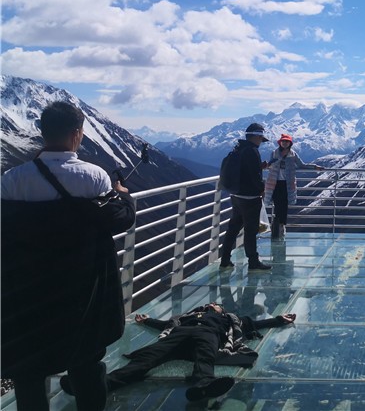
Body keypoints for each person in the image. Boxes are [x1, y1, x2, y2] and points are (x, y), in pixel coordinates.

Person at [1, 101, 136, 411]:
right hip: (81, 291)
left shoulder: (11, 180)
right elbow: (118, 219)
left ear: (42, 132)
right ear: (77, 134)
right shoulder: (93, 177)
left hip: (27, 291)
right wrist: (124, 198)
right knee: (87, 363)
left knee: (29, 372)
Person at [61, 304, 297, 403]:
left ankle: (203, 385)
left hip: (207, 334)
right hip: (179, 334)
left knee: (205, 355)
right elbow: (165, 325)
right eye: (209, 304)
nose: (211, 305)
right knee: (148, 358)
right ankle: (101, 385)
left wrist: (279, 319)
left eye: (215, 305)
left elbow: (256, 323)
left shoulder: (229, 319)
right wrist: (147, 320)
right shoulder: (184, 317)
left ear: (221, 310)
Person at [221, 122, 271, 270]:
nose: (261, 142)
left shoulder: (239, 148)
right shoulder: (252, 151)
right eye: (261, 139)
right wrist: (261, 189)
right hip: (250, 197)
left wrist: (259, 167)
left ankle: (225, 259)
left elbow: (244, 169)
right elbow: (254, 176)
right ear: (256, 136)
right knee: (250, 230)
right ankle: (253, 261)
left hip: (236, 195)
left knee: (233, 228)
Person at [264, 133, 324, 239]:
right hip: (275, 183)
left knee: (284, 205)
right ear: (280, 142)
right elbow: (270, 164)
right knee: (278, 204)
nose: (285, 143)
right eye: (283, 141)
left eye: (287, 141)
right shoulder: (274, 153)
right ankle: (278, 225)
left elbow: (302, 165)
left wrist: (314, 167)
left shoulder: (293, 154)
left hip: (287, 184)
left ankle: (281, 225)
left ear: (290, 143)